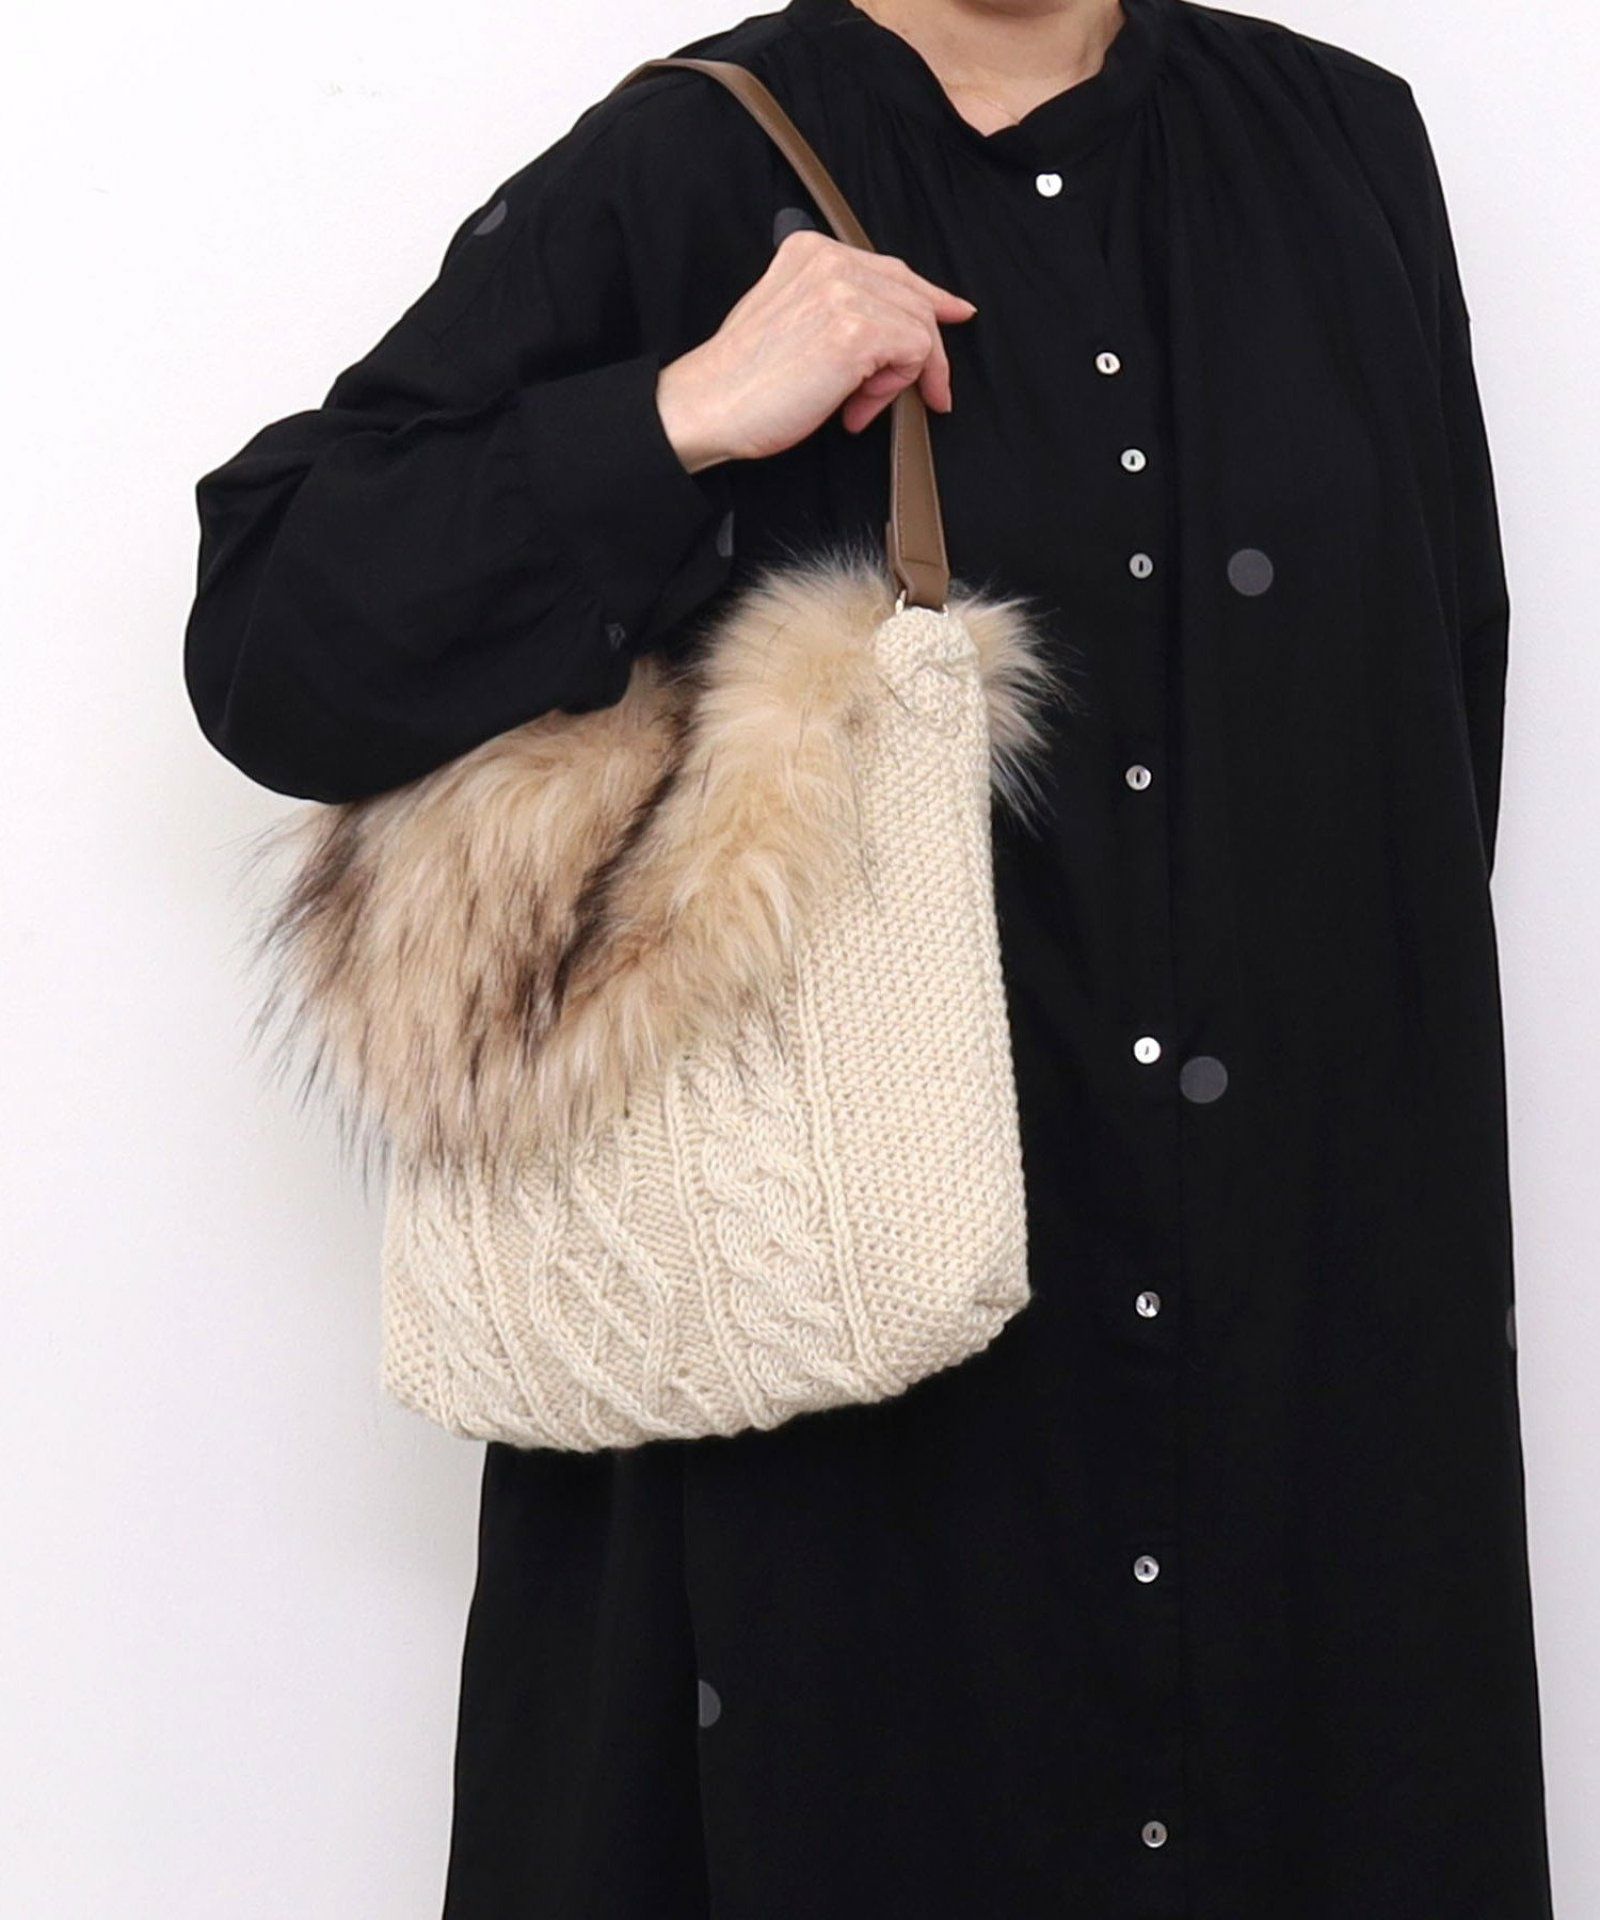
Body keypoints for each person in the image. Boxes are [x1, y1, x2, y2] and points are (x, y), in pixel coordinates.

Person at [182, 1, 1555, 1914]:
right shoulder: (691, 159)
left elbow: (1432, 724)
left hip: (1297, 1385)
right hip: (826, 1437)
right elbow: (273, 635)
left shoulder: (1342, 150)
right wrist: (677, 416)